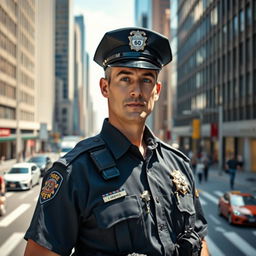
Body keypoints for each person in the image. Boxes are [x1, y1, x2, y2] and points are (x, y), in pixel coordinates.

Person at [24, 27, 208, 256]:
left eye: (146, 80)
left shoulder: (178, 164)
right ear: (105, 87)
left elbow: (199, 243)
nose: (136, 91)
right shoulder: (74, 172)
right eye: (125, 79)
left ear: (157, 90)